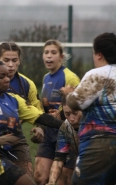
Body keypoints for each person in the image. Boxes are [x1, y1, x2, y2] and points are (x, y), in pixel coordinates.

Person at [60, 32, 116, 185]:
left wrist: (68, 94)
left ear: (99, 54)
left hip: (101, 143)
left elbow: (76, 103)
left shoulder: (97, 75)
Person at [34, 39, 80, 185]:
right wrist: (40, 126)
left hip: (66, 131)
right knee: (39, 177)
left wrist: (60, 114)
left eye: (53, 53)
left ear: (61, 57)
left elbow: (77, 106)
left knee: (63, 180)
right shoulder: (46, 78)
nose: (49, 56)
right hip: (49, 132)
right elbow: (43, 107)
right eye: (46, 52)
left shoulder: (70, 77)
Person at [0, 42, 44, 177]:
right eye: (6, 60)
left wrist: (39, 127)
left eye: (14, 60)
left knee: (26, 175)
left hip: (15, 136)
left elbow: (38, 110)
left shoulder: (27, 84)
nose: (10, 65)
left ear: (19, 61)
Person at [46, 96, 82, 185]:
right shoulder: (66, 127)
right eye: (67, 114)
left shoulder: (97, 124)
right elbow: (59, 158)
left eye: (75, 113)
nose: (72, 119)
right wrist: (51, 182)